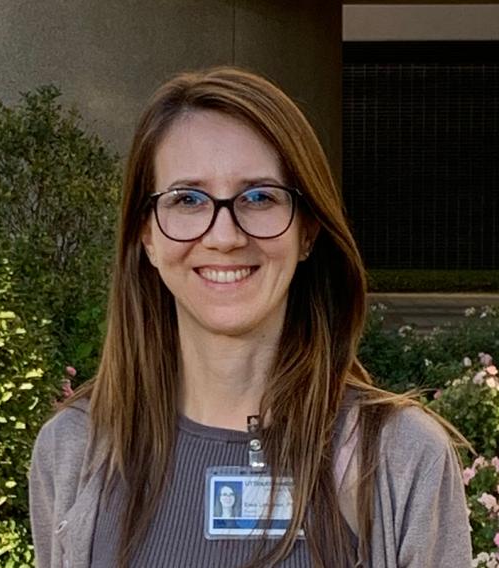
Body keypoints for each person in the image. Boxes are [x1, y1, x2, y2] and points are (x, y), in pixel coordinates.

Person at [29, 67, 472, 567]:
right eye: (188, 199)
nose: (224, 236)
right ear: (146, 236)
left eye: (259, 196)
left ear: (307, 231)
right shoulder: (73, 450)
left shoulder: (401, 458)